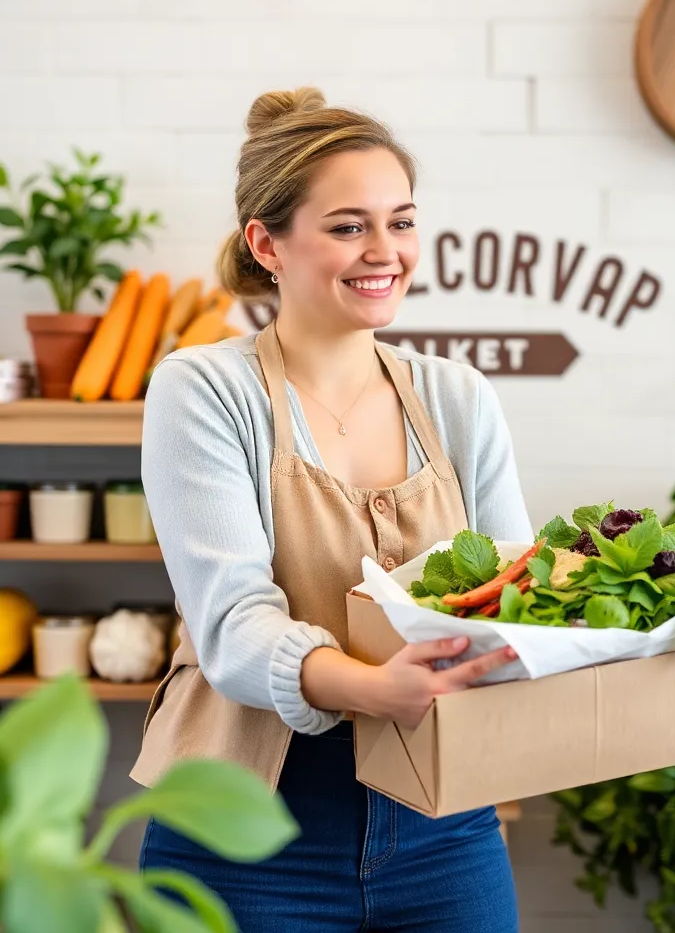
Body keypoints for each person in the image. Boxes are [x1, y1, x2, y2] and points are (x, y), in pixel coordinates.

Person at [131, 87, 531, 932]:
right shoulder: (204, 388)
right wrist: (370, 687)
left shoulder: (456, 397)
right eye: (348, 226)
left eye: (401, 221)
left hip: (443, 823)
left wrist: (641, 635)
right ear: (265, 243)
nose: (384, 250)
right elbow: (233, 623)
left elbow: (519, 593)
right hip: (246, 825)